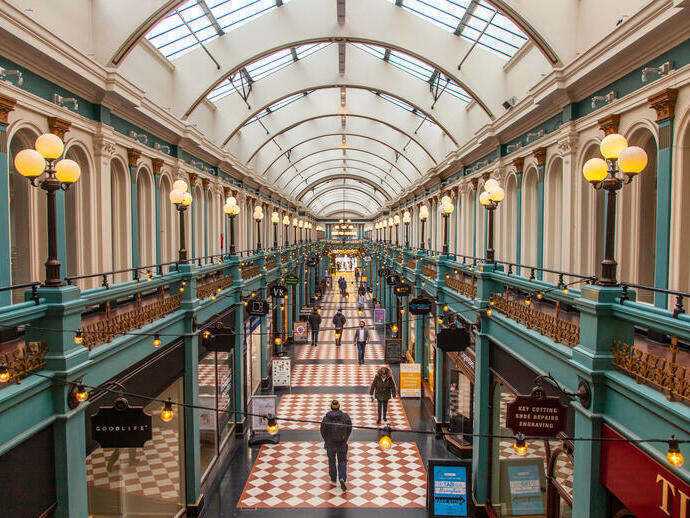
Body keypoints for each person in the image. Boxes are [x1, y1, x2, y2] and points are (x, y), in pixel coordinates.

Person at [320, 400, 352, 491]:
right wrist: (345, 438)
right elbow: (349, 428)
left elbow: (322, 431)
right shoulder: (345, 417)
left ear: (331, 407)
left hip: (330, 444)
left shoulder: (326, 418)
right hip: (341, 443)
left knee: (332, 461)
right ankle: (342, 477)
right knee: (342, 461)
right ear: (339, 407)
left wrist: (326, 440)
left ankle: (333, 477)